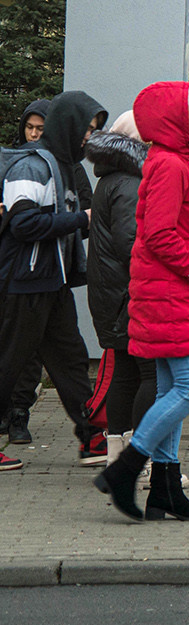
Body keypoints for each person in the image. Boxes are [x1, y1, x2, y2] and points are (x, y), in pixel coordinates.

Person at [96, 82, 189, 521]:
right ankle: (125, 468)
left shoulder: (171, 161)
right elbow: (160, 234)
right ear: (175, 119)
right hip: (170, 292)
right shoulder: (169, 166)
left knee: (168, 388)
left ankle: (164, 491)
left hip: (167, 292)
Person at [0, 91, 107, 472]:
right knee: (8, 362)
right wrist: (85, 219)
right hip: (23, 284)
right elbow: (24, 225)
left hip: (52, 284)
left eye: (94, 131)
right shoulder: (30, 167)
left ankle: (93, 438)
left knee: (71, 360)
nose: (88, 138)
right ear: (68, 126)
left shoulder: (65, 167)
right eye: (86, 130)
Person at [85, 112, 157, 470]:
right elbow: (131, 242)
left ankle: (118, 456)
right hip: (128, 296)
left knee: (126, 374)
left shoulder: (113, 178)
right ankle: (139, 462)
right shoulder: (131, 181)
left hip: (114, 295)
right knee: (151, 376)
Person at [5, 98, 51, 445]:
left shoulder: (56, 166)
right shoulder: (16, 162)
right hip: (12, 267)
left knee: (31, 350)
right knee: (13, 347)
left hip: (40, 271)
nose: (33, 136)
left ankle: (20, 413)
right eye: (29, 128)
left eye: (40, 130)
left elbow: (83, 209)